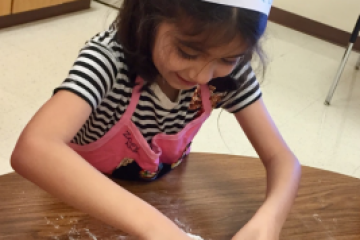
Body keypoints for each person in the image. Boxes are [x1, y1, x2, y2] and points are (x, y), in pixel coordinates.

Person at [10, 0, 301, 239]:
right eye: (187, 52)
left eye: (228, 59)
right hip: (76, 193)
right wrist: (156, 228)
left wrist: (269, 221)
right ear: (146, 17)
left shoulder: (229, 73)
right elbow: (34, 148)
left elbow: (283, 159)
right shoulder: (108, 60)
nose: (201, 75)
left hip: (162, 189)